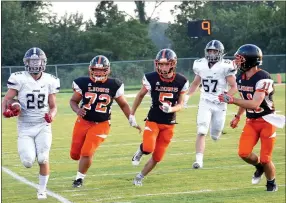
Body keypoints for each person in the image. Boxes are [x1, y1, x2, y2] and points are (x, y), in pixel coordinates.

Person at [218, 44, 285, 191]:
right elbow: (245, 98)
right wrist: (238, 116)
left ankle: (271, 182)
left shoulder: (263, 77)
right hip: (251, 121)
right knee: (243, 153)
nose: (237, 62)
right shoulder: (240, 77)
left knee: (266, 158)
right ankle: (259, 166)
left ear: (251, 60)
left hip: (267, 120)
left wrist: (231, 100)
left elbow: (255, 103)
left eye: (240, 59)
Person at [70, 55, 141, 188]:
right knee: (74, 154)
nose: (98, 72)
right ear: (90, 69)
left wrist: (132, 120)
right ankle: (81, 167)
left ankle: (79, 178)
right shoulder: (83, 83)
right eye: (95, 69)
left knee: (87, 152)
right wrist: (77, 110)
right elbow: (73, 101)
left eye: (101, 70)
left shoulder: (114, 85)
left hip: (101, 124)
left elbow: (124, 105)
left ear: (107, 70)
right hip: (83, 121)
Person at [2, 47, 60, 199]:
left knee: (43, 158)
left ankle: (42, 190)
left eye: (37, 61)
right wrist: (6, 110)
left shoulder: (50, 80)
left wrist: (51, 116)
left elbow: (53, 106)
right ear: (26, 62)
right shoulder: (19, 78)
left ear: (43, 62)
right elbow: (7, 99)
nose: (35, 64)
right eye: (32, 61)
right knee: (28, 162)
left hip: (43, 125)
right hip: (25, 126)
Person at [129, 48, 189, 186]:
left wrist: (171, 109)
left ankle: (140, 177)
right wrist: (132, 114)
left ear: (173, 64)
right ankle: (141, 150)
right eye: (160, 64)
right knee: (149, 148)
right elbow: (140, 95)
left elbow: (181, 104)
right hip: (153, 120)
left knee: (158, 156)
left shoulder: (181, 81)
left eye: (166, 64)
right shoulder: (151, 78)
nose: (162, 67)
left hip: (169, 123)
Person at [184, 40, 237, 169]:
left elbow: (234, 86)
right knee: (202, 130)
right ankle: (198, 161)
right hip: (205, 101)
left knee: (215, 134)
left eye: (215, 51)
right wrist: (186, 97)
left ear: (220, 53)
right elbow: (196, 83)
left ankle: (216, 134)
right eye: (210, 51)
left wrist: (227, 96)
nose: (212, 53)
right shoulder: (200, 64)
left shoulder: (226, 66)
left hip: (220, 103)